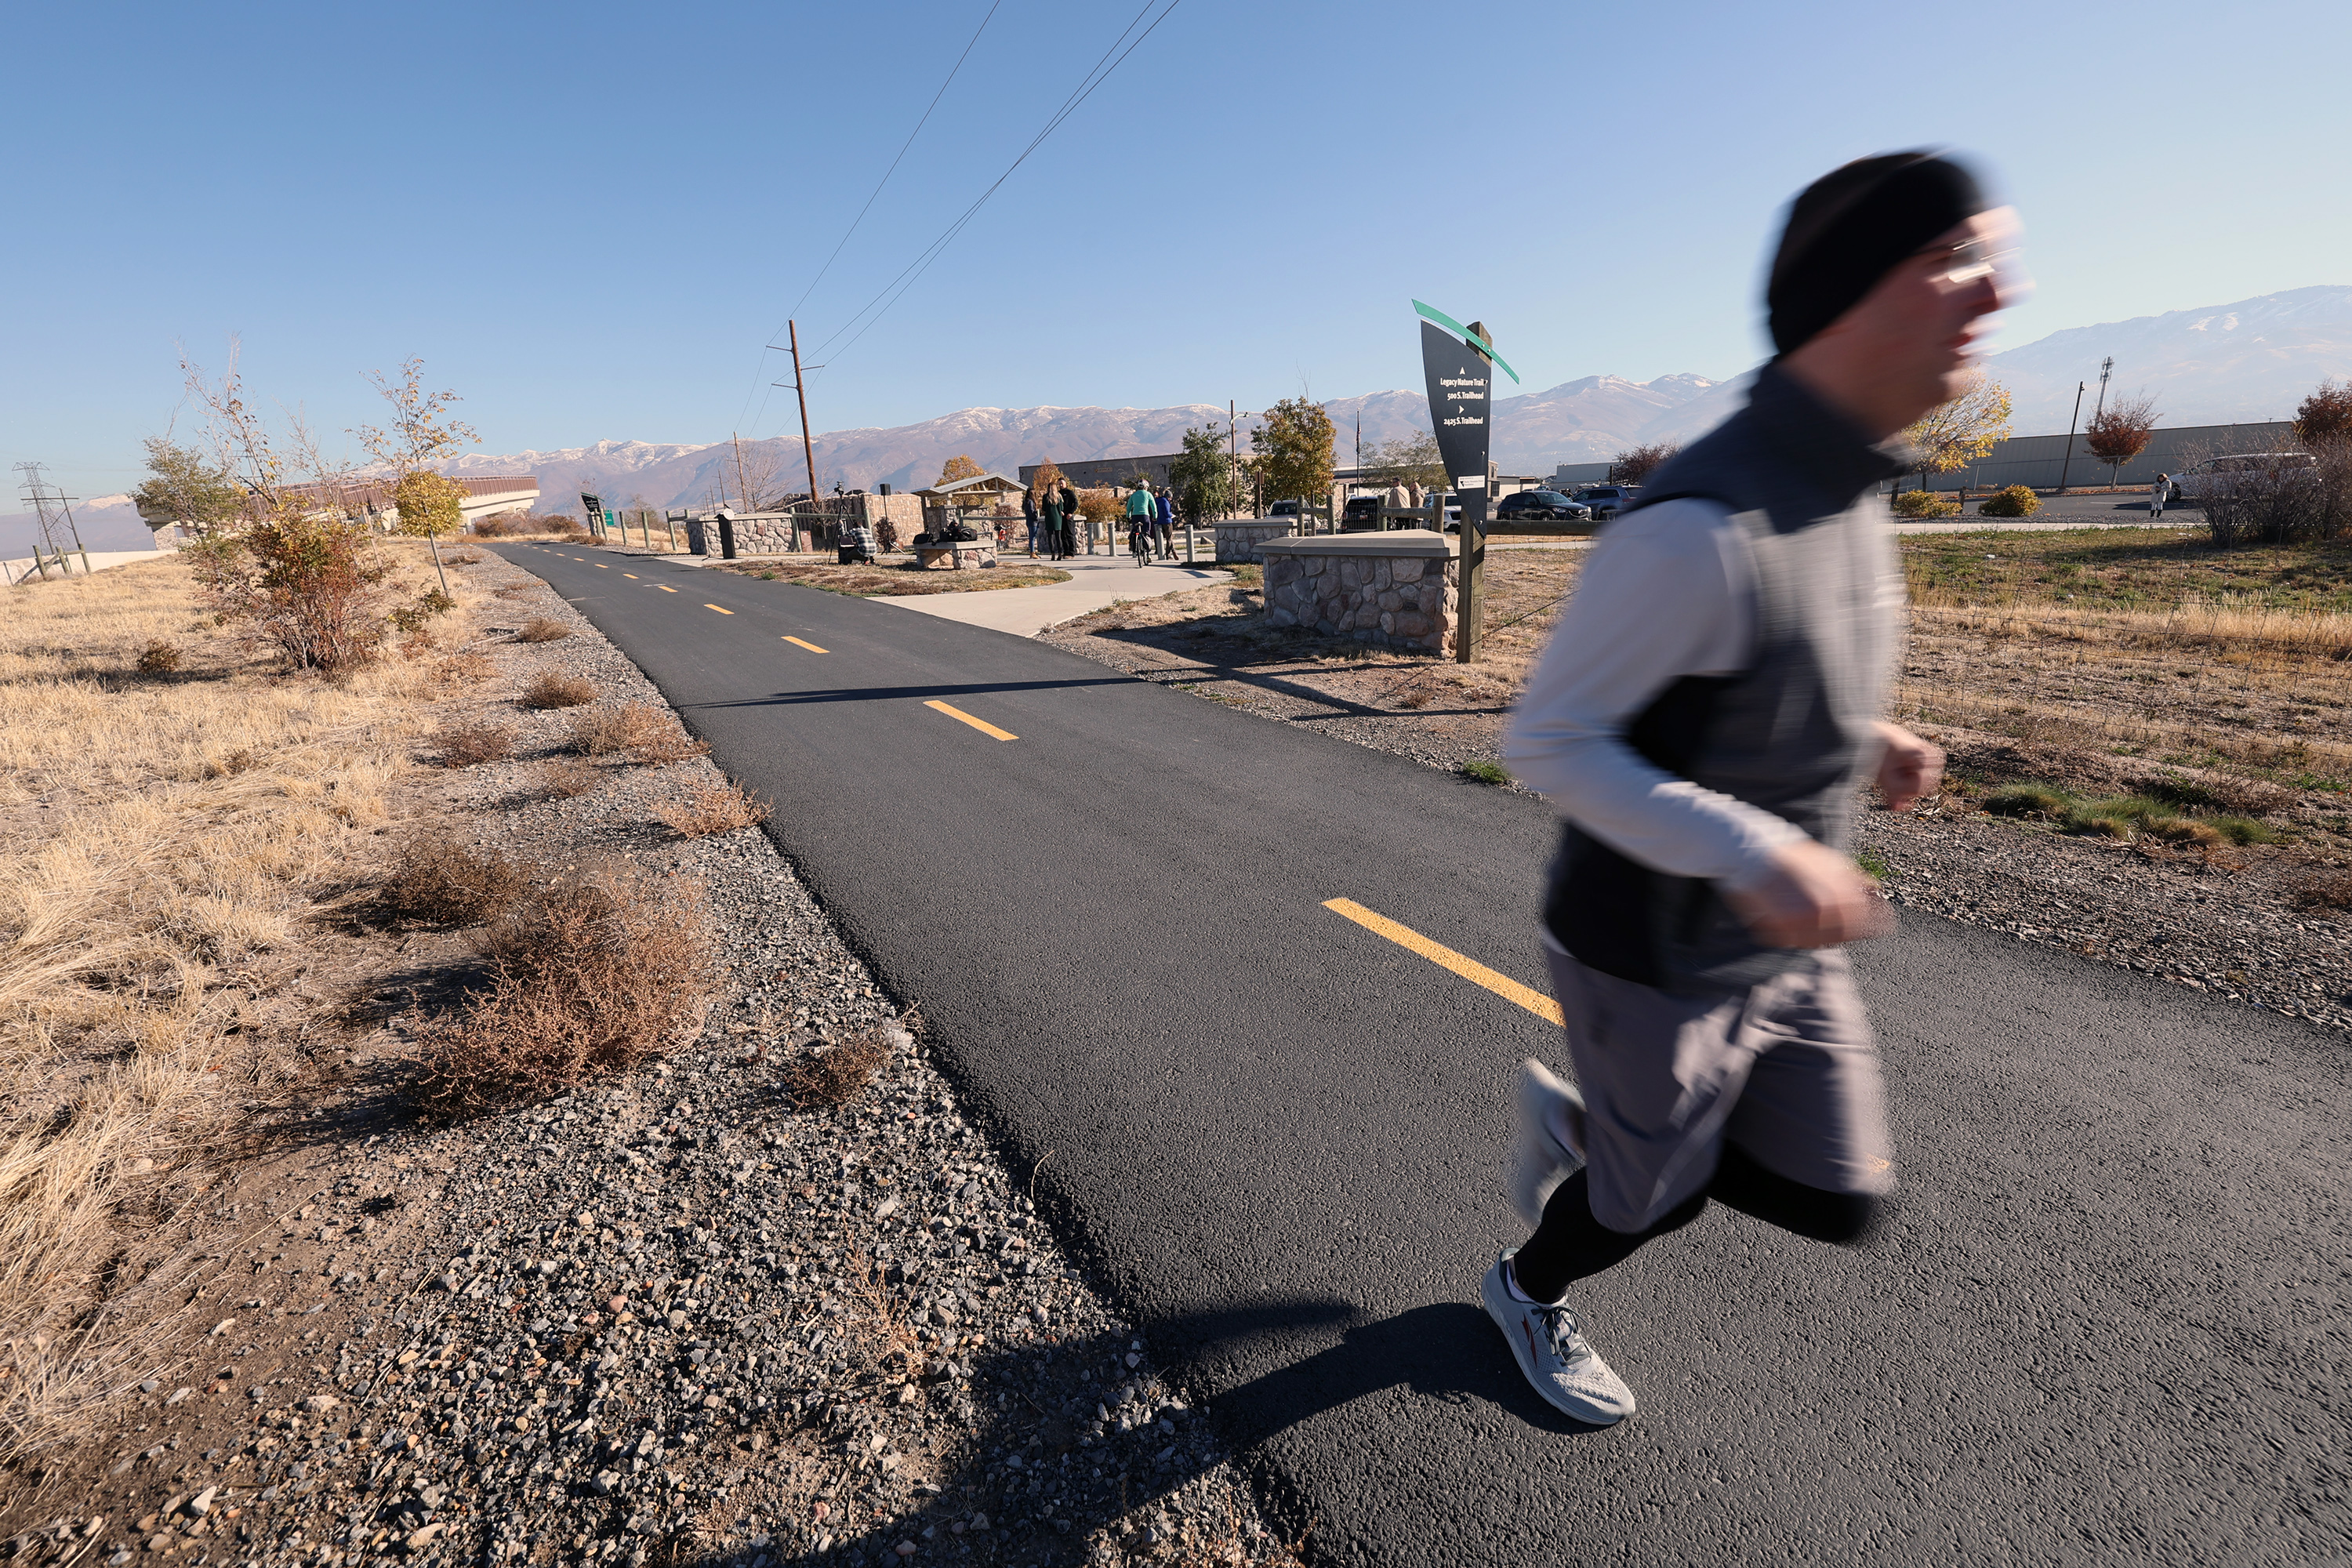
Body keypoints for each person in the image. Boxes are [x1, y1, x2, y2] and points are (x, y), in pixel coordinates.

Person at [1488, 151, 2015, 1425]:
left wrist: (1867, 736)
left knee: (1842, 1197)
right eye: (1952, 258)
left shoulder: (1845, 484)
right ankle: (1525, 1288)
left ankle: (1612, 1135)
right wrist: (1752, 852)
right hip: (1653, 951)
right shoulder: (1695, 523)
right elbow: (1548, 740)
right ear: (1849, 296)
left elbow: (1763, 671)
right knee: (1646, 1201)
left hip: (1773, 941)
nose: (1995, 293)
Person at [1125, 481, 1156, 560]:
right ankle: (1148, 554)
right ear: (1146, 487)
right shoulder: (1148, 494)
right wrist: (1155, 516)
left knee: (1134, 531)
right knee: (1146, 534)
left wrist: (1128, 516)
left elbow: (1129, 507)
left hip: (1135, 516)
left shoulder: (1133, 495)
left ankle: (1133, 546)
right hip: (1145, 516)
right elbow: (1153, 506)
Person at [1154, 482, 1178, 559]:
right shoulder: (1166, 502)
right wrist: (1172, 515)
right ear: (1168, 497)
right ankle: (1168, 554)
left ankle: (1173, 550)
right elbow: (1167, 513)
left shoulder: (1158, 501)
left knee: (1166, 538)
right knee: (1169, 539)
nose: (1171, 499)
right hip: (1167, 522)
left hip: (1159, 521)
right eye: (1170, 498)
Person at [1058, 484, 1080, 557]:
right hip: (1061, 516)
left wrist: (1071, 512)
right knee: (1063, 535)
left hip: (1068, 516)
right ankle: (1066, 552)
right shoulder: (1058, 493)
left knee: (1069, 534)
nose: (1061, 485)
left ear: (1065, 484)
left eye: (1062, 483)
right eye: (1059, 483)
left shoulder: (1070, 492)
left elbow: (1076, 503)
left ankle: (1071, 552)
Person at [1023, 486, 1043, 555]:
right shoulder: (1031, 502)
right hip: (1033, 522)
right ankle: (1032, 552)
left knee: (1031, 537)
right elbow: (1032, 512)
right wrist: (1036, 517)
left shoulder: (1026, 502)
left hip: (1029, 521)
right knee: (1032, 537)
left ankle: (1032, 551)